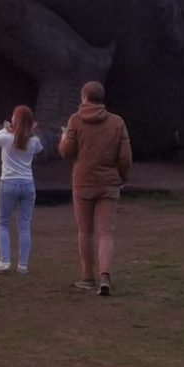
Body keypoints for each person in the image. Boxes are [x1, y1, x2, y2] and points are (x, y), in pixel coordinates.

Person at [58, 81, 131, 296]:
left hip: (83, 183)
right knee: (105, 233)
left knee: (85, 232)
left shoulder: (75, 121)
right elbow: (125, 157)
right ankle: (105, 276)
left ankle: (87, 278)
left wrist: (63, 138)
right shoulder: (117, 122)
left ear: (84, 97)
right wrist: (121, 177)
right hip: (109, 183)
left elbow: (66, 152)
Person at [0, 106, 42, 274]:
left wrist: (4, 130)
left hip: (8, 184)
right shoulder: (34, 141)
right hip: (27, 185)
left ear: (15, 121)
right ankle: (23, 265)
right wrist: (30, 132)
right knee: (24, 224)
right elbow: (38, 148)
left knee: (2, 222)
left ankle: (5, 261)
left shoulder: (6, 138)